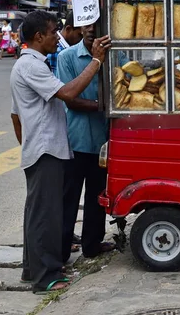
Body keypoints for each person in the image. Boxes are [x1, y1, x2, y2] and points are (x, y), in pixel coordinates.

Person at [9, 10, 111, 294]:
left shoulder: (29, 64)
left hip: (41, 148)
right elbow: (68, 94)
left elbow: (15, 115)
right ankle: (46, 278)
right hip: (46, 151)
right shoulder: (32, 66)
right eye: (53, 32)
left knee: (37, 213)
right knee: (46, 215)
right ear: (39, 36)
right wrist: (96, 61)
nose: (58, 36)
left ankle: (33, 270)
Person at [57, 20, 116, 263]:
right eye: (88, 25)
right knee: (68, 198)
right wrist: (105, 107)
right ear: (80, 28)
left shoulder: (115, 56)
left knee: (97, 195)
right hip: (75, 139)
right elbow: (71, 99)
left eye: (97, 24)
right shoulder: (68, 57)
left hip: (103, 141)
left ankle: (92, 244)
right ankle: (60, 252)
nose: (92, 29)